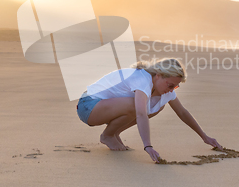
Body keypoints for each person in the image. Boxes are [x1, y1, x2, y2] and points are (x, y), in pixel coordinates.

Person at [76, 58, 223, 163]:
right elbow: (140, 113)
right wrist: (148, 146)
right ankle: (107, 136)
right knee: (137, 106)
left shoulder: (162, 88)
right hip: (88, 106)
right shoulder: (142, 79)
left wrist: (205, 137)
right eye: (170, 85)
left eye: (175, 87)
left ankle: (114, 133)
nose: (171, 90)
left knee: (157, 106)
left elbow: (182, 112)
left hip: (105, 107)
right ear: (158, 75)